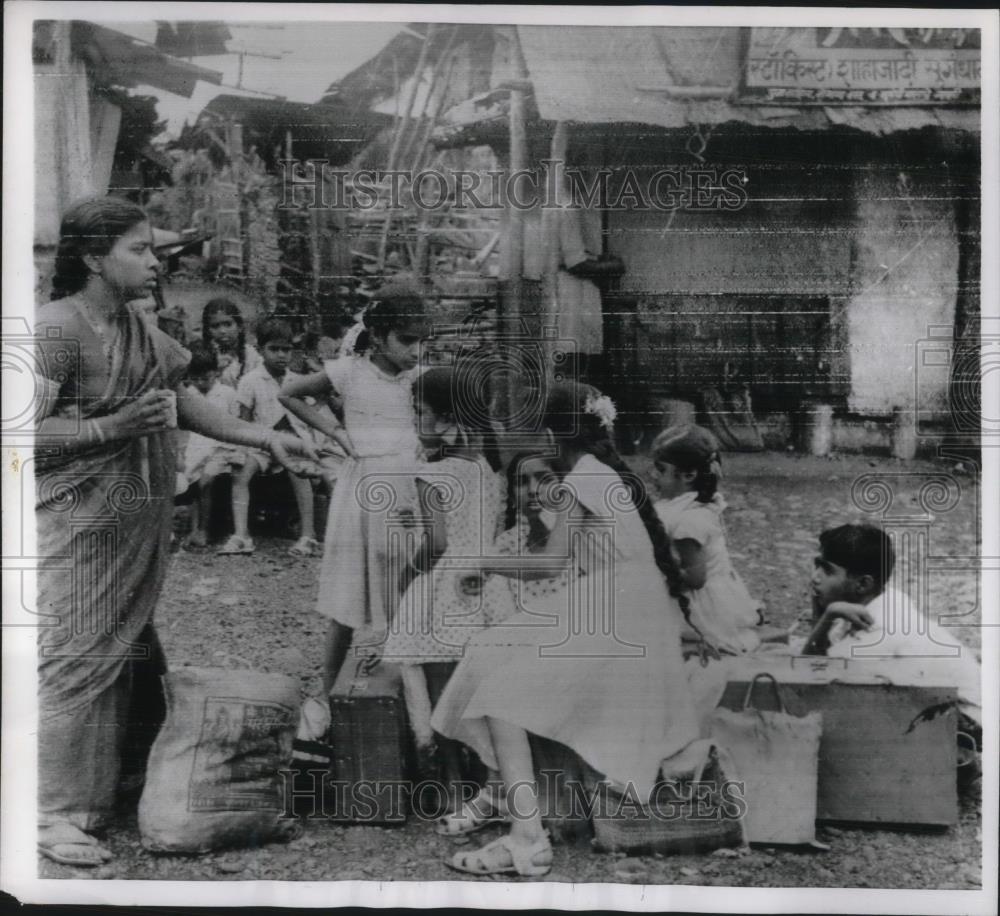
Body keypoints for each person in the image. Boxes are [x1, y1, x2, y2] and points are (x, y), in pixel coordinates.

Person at [33, 196, 316, 867]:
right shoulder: (56, 330)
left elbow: (178, 402)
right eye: (140, 249)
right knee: (76, 658)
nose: (156, 263)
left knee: (128, 651)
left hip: (128, 527)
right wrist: (110, 428)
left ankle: (126, 778)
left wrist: (266, 438)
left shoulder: (138, 330)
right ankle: (52, 811)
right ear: (94, 258)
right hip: (75, 527)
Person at [430, 382, 700, 877]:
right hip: (615, 602)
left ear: (554, 432)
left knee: (501, 694)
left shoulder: (584, 477)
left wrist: (481, 561)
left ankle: (527, 838)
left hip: (619, 612)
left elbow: (552, 563)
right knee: (491, 649)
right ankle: (499, 789)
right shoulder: (599, 473)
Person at [278, 283, 429, 695]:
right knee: (348, 600)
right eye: (407, 340)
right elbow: (289, 393)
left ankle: (402, 692)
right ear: (378, 336)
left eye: (422, 342)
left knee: (406, 591)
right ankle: (327, 693)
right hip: (362, 491)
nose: (416, 351)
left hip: (407, 491)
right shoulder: (349, 371)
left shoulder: (418, 379)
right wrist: (335, 431)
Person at [381, 366, 505, 755]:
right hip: (482, 581)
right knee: (470, 688)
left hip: (442, 588)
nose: (415, 420)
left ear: (448, 419)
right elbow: (478, 523)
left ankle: (435, 760)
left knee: (432, 681)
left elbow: (436, 543)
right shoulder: (484, 466)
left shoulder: (432, 472)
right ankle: (481, 769)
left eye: (420, 411)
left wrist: (407, 577)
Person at [801, 524, 981, 727]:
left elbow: (805, 679)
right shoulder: (881, 600)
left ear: (863, 584)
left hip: (969, 724)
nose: (814, 577)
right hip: (948, 710)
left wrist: (827, 615)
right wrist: (825, 614)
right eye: (816, 565)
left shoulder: (878, 629)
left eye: (826, 570)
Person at [217, 318, 350, 558]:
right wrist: (242, 450)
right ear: (260, 350)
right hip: (261, 444)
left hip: (294, 442)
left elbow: (310, 416)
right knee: (240, 471)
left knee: (301, 469)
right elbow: (244, 422)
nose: (281, 355)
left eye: (286, 349)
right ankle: (241, 534)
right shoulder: (250, 381)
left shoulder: (296, 381)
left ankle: (308, 535)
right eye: (274, 349)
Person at [650, 424, 763, 655]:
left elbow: (696, 578)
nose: (653, 476)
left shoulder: (688, 521)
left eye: (661, 470)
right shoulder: (692, 505)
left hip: (702, 604)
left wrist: (657, 576)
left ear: (689, 475)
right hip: (710, 589)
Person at [176, 342, 242, 548]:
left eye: (205, 378)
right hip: (199, 447)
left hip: (223, 448)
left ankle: (203, 529)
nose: (200, 383)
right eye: (195, 379)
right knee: (192, 480)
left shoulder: (227, 393)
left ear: (215, 373)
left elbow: (236, 425)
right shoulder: (191, 394)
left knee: (205, 481)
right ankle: (194, 529)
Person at [201, 297, 261, 388]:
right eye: (215, 326)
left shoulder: (252, 356)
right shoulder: (203, 356)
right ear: (208, 331)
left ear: (239, 327)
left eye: (228, 324)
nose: (222, 331)